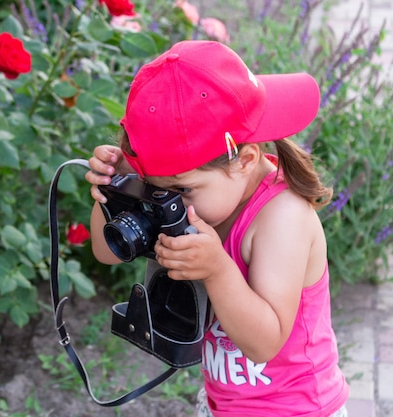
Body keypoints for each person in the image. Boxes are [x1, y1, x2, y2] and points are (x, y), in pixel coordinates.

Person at [85, 40, 349, 417]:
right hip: (223, 404)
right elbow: (106, 252)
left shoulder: (281, 217)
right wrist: (110, 193)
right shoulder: (198, 197)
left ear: (244, 161)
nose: (167, 202)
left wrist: (218, 270)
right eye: (154, 187)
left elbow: (266, 342)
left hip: (296, 410)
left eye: (181, 191)